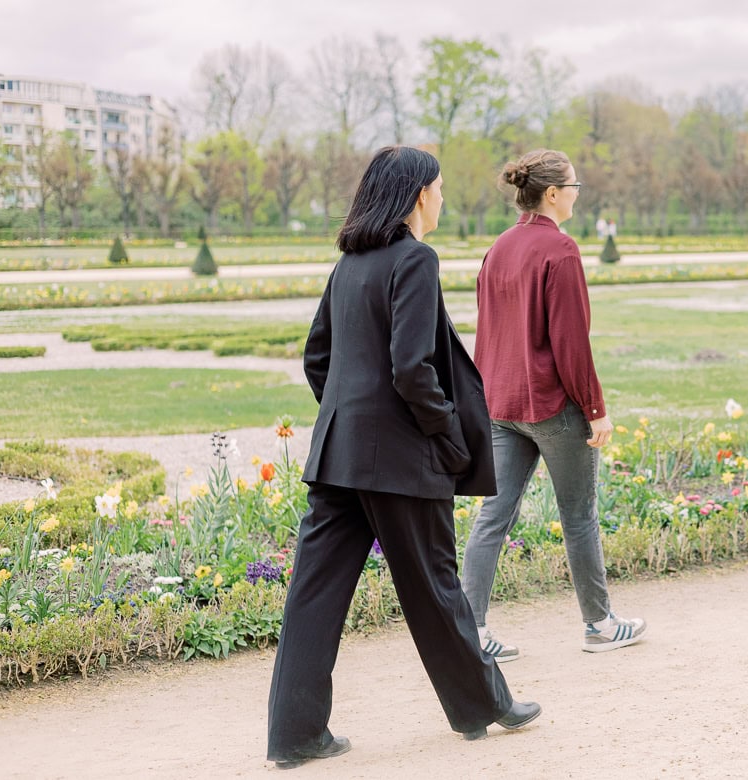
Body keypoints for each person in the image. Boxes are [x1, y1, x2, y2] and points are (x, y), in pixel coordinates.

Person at [266, 146, 540, 770]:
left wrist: (349, 419)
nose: (443, 199)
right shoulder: (415, 259)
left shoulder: (350, 264)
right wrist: (445, 438)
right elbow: (413, 369)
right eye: (439, 189)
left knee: (312, 595)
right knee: (437, 588)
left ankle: (294, 737)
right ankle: (484, 707)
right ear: (418, 195)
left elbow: (317, 359)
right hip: (400, 460)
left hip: (336, 457)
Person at [462, 149, 646, 662]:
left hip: (501, 404)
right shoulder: (560, 251)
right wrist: (595, 407)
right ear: (551, 194)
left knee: (492, 518)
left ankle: (469, 631)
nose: (577, 193)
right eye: (573, 185)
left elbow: (487, 330)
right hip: (552, 407)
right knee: (580, 516)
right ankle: (599, 624)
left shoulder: (498, 248)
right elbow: (571, 344)